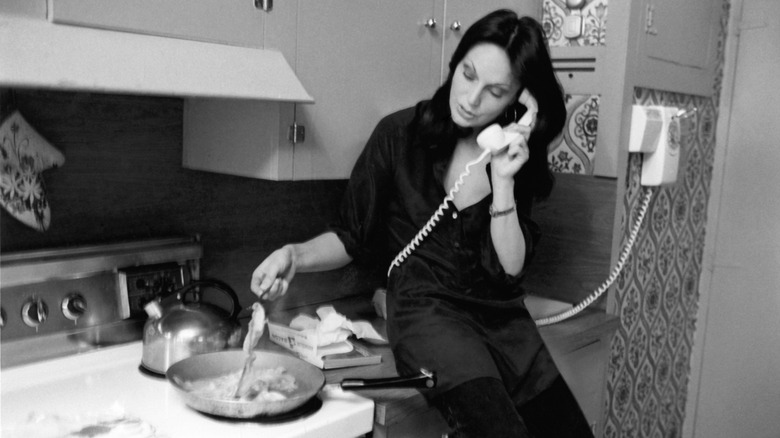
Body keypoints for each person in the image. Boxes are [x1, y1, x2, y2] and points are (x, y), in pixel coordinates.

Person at [251, 9, 593, 438]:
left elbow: (510, 268)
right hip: (429, 318)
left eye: (495, 92)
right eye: (468, 75)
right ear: (456, 63)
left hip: (502, 321)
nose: (471, 98)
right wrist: (294, 255)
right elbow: (352, 236)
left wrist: (503, 183)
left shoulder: (510, 154)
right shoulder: (398, 136)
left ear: (518, 101)